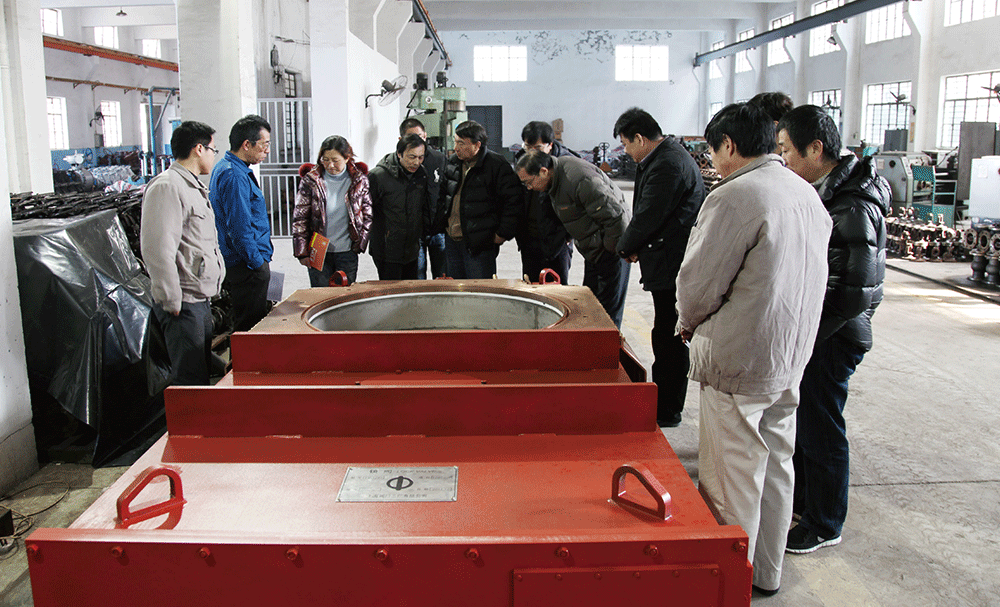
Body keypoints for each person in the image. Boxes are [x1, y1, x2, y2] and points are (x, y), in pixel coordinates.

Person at [675, 102, 832, 596]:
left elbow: (699, 284)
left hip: (740, 359)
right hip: (788, 356)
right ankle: (766, 573)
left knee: (732, 477)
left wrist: (687, 325)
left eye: (713, 150)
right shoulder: (805, 192)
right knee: (777, 465)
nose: (713, 160)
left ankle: (730, 584)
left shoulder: (735, 196)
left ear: (729, 145)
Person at [776, 105, 890, 554]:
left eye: (786, 150)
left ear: (815, 149)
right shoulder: (827, 192)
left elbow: (852, 293)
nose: (783, 159)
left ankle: (825, 523)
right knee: (806, 421)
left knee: (822, 427)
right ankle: (805, 502)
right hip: (820, 329)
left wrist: (808, 334)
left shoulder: (852, 203)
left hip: (835, 334)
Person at [613, 107, 705, 427]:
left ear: (640, 138)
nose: (626, 151)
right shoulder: (662, 158)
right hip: (666, 260)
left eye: (626, 143)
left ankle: (668, 409)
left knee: (670, 338)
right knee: (665, 334)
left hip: (673, 265)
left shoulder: (668, 164)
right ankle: (664, 403)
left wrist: (626, 246)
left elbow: (649, 214)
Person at [140, 121, 225, 385]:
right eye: (213, 150)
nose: (214, 156)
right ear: (199, 149)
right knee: (190, 380)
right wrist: (171, 300)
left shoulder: (191, 186)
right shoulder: (167, 186)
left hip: (199, 299)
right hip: (183, 303)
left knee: (200, 372)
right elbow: (158, 248)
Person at [515, 150, 631, 327]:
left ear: (544, 171)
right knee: (592, 305)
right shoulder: (555, 179)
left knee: (607, 312)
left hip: (610, 251)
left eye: (529, 182)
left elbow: (615, 218)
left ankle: (607, 344)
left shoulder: (579, 179)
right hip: (595, 250)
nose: (529, 188)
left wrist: (609, 252)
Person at [210, 114, 273, 331]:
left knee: (245, 323)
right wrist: (257, 264)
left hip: (242, 263)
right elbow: (239, 228)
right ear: (247, 144)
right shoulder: (235, 176)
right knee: (250, 328)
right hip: (245, 267)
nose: (267, 151)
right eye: (264, 144)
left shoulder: (227, 167)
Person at [442, 120, 522, 279]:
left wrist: (502, 234)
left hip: (480, 243)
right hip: (452, 240)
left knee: (479, 287)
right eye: (455, 142)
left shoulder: (496, 165)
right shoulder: (453, 163)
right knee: (455, 287)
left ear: (477, 145)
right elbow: (444, 195)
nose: (456, 148)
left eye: (461, 143)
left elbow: (513, 202)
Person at [292, 135, 372, 286]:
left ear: (347, 158)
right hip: (318, 249)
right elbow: (300, 218)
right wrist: (301, 252)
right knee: (321, 294)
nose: (330, 165)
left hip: (347, 251)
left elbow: (367, 214)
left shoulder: (359, 181)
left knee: (345, 294)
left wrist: (360, 243)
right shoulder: (311, 181)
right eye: (326, 159)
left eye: (335, 160)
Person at [513, 121, 578, 283]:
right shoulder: (522, 161)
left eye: (537, 147)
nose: (532, 152)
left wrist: (568, 235)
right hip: (529, 237)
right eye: (528, 147)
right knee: (531, 284)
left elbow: (577, 205)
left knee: (556, 284)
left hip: (557, 239)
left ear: (550, 145)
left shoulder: (566, 165)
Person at [367, 134, 429, 280]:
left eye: (420, 157)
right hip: (387, 250)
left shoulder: (421, 174)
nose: (416, 162)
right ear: (399, 154)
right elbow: (367, 212)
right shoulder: (378, 176)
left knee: (411, 290)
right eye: (412, 157)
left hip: (412, 249)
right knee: (391, 290)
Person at [400, 118, 448, 279]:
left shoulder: (439, 159)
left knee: (442, 276)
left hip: (438, 229)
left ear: (425, 136)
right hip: (415, 233)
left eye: (420, 136)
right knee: (417, 277)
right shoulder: (399, 164)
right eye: (411, 137)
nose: (417, 141)